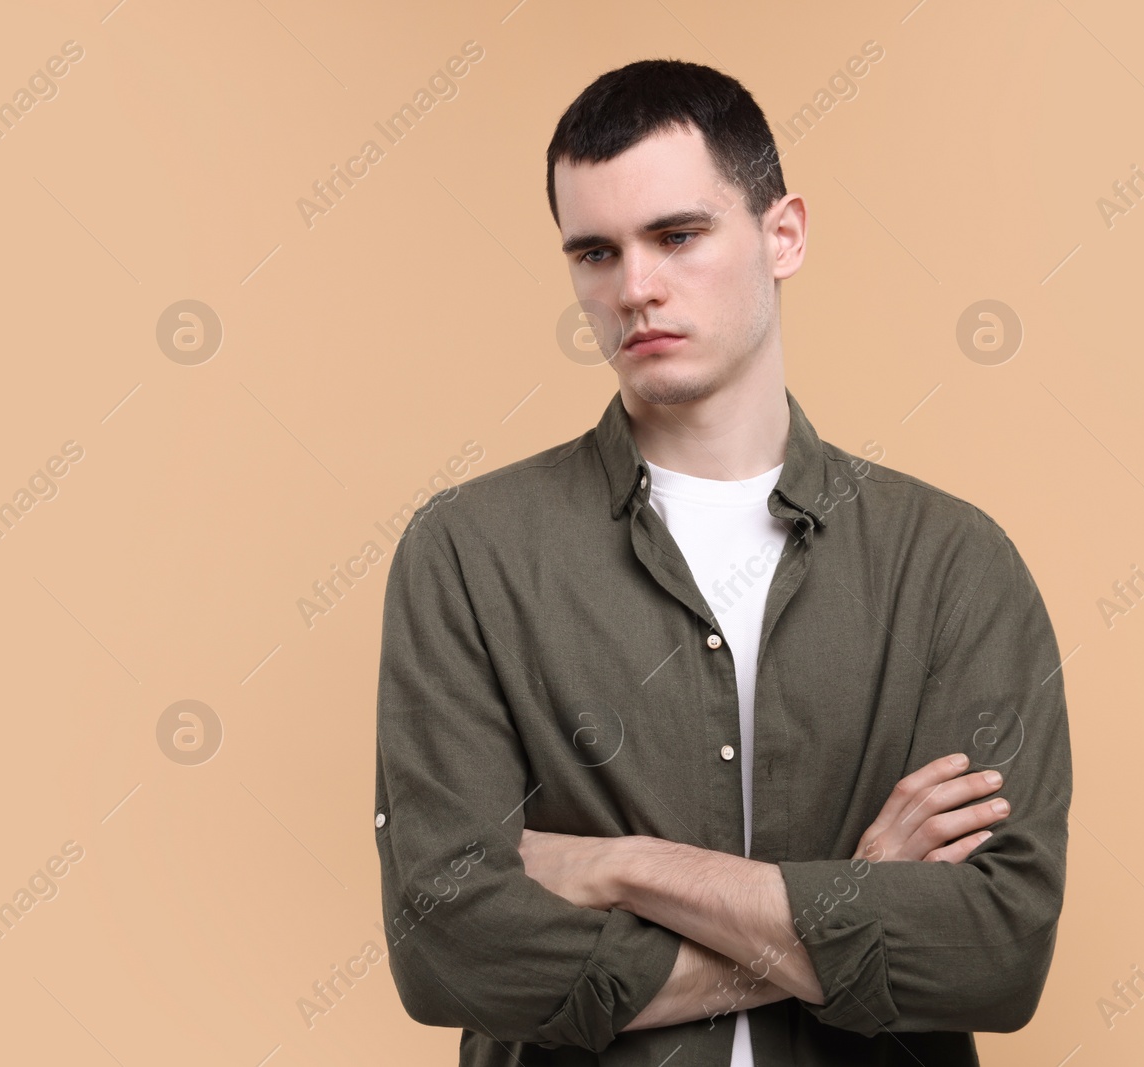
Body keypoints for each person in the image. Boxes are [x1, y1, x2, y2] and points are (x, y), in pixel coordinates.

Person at [372, 58, 1071, 1066]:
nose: (635, 287)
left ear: (781, 234)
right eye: (595, 253)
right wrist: (852, 893)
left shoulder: (953, 562)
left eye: (677, 235)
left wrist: (622, 865)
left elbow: (992, 953)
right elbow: (449, 948)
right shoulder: (469, 552)